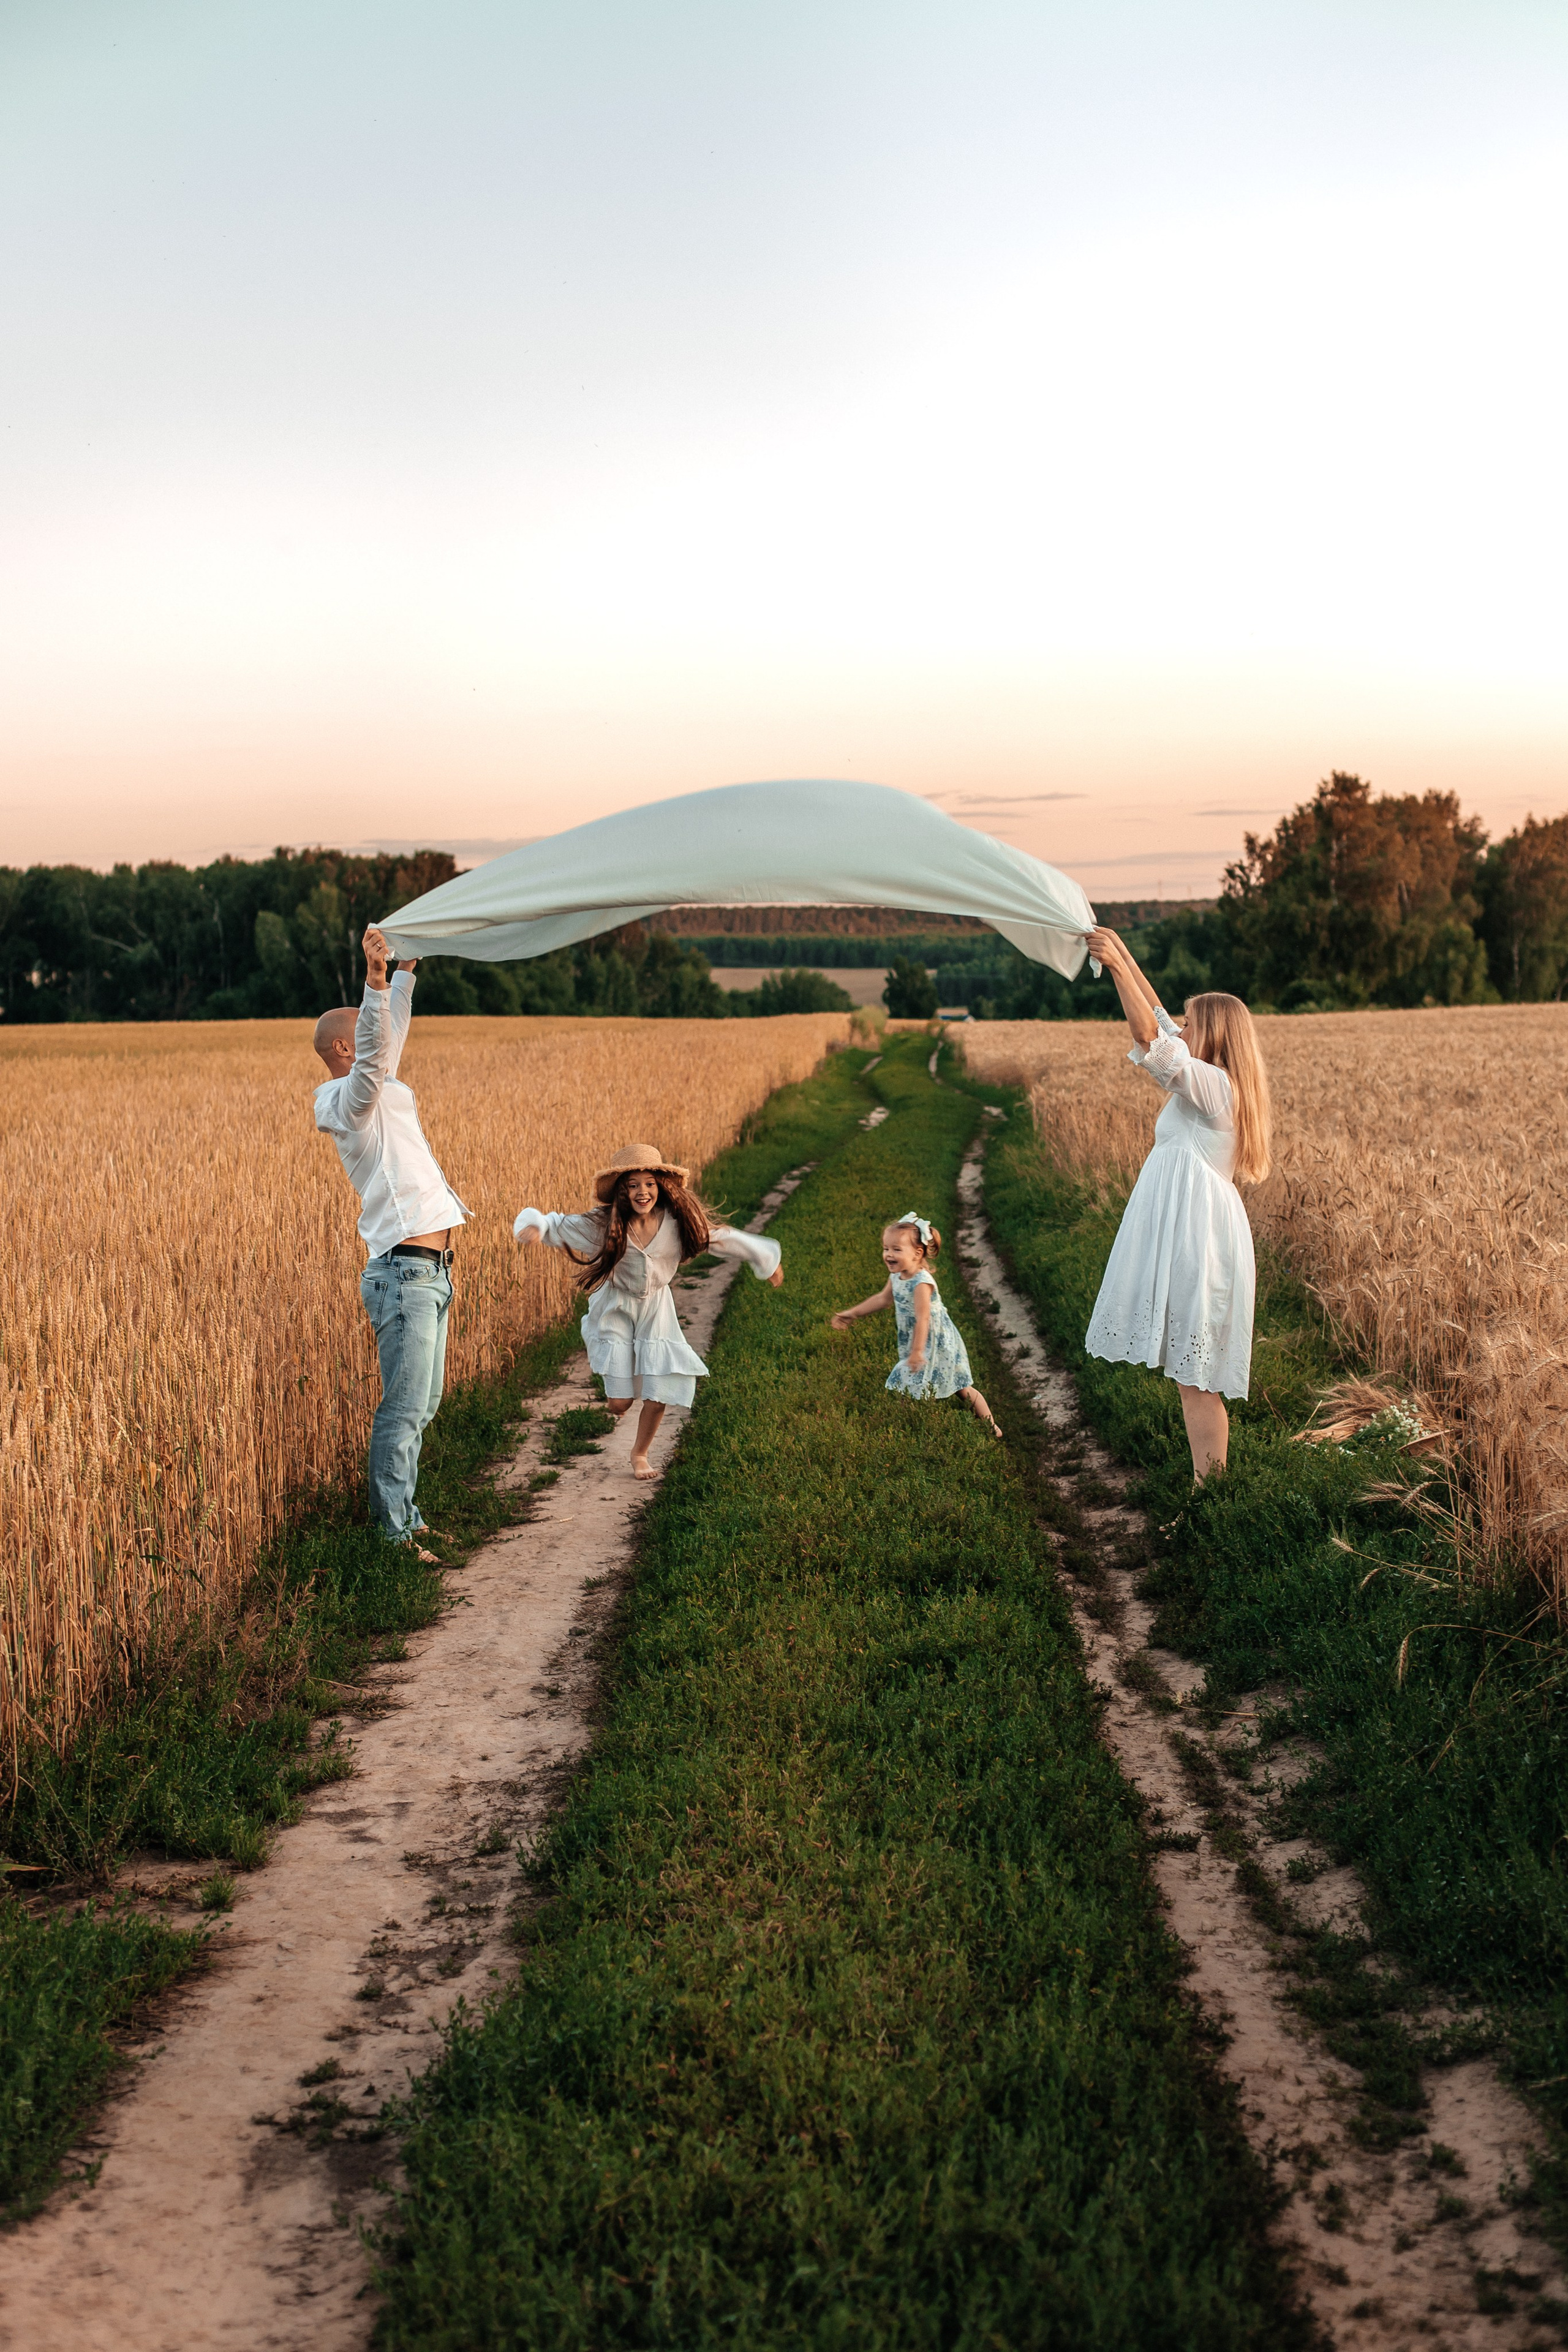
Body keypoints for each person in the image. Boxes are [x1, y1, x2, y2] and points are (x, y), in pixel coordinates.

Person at [1081, 925, 1272, 1482]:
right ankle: (1206, 1490)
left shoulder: (1215, 1086)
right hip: (1195, 1226)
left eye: (1191, 1024)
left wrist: (1117, 968)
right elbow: (1159, 1018)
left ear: (1212, 1034)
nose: (1180, 1029)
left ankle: (1209, 1494)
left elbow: (1148, 1033)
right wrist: (1123, 954)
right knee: (1193, 1377)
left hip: (1200, 1233)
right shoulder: (1208, 1079)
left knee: (1197, 1379)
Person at [313, 925, 469, 1553]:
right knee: (403, 1410)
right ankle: (393, 1538)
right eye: (366, 1024)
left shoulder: (377, 1088)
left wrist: (405, 969)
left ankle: (408, 1517)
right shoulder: (344, 1102)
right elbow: (377, 1060)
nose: (380, 1035)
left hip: (431, 1271)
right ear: (344, 1047)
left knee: (423, 1404)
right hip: (405, 1274)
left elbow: (388, 1040)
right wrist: (376, 980)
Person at [513, 1144, 783, 1479]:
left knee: (659, 1389)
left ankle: (640, 1454)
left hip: (657, 1308)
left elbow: (720, 1238)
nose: (643, 1192)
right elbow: (553, 1222)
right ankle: (603, 1347)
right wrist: (535, 1227)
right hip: (615, 1308)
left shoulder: (676, 1223)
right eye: (633, 1185)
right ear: (622, 1192)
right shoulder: (603, 1224)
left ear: (661, 1186)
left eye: (650, 1183)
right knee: (619, 1404)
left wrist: (765, 1260)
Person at [829, 1212, 1000, 1434]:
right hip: (917, 1339)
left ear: (917, 1253)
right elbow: (882, 1299)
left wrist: (918, 1351)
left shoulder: (921, 1282)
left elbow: (923, 1318)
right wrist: (853, 1314)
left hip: (935, 1341)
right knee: (913, 1381)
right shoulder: (897, 1276)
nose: (889, 1254)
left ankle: (990, 1426)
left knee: (960, 1387)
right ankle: (912, 1426)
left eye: (896, 1250)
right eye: (886, 1249)